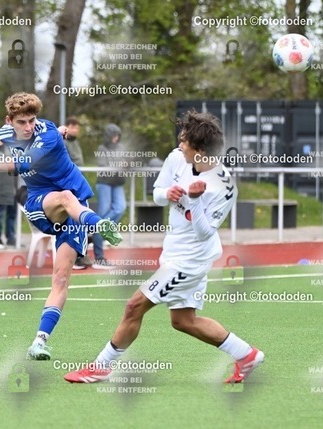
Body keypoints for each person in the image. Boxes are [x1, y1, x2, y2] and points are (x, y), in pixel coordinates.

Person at [64, 111, 264, 384]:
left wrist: (194, 199)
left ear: (200, 150)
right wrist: (167, 194)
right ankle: (247, 355)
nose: (180, 145)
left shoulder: (224, 186)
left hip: (191, 260)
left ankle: (101, 367)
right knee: (183, 320)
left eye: (185, 141)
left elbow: (205, 233)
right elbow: (158, 192)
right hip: (173, 252)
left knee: (134, 306)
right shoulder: (176, 158)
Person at [0, 92, 123, 360]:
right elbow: (38, 142)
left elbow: (21, 163)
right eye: (22, 122)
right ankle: (99, 225)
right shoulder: (7, 133)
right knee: (65, 196)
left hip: (77, 209)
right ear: (9, 121)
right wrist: (60, 130)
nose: (28, 127)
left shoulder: (45, 134)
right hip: (42, 202)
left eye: (32, 121)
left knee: (60, 279)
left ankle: (39, 341)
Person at [91, 123, 127, 269]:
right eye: (113, 135)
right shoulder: (102, 148)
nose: (115, 138)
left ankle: (101, 230)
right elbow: (104, 166)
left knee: (120, 208)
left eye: (117, 135)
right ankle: (99, 257)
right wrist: (118, 164)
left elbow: (125, 163)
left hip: (118, 182)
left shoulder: (121, 148)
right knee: (103, 214)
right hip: (104, 183)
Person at [63, 116, 93, 271]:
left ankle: (81, 253)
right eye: (73, 127)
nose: (76, 130)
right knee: (74, 220)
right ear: (67, 127)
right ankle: (75, 257)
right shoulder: (63, 142)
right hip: (69, 186)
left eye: (77, 128)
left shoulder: (76, 143)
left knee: (83, 218)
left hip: (79, 184)